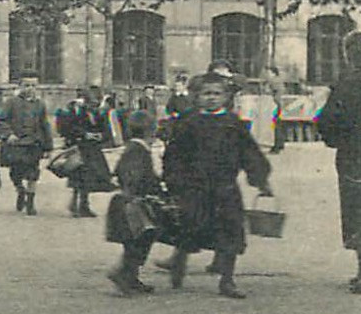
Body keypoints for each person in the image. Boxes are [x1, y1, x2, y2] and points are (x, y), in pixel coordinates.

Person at [161, 73, 272, 299]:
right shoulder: (188, 122)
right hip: (194, 188)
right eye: (206, 93)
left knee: (231, 231)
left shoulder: (233, 124)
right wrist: (174, 181)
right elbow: (174, 155)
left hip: (225, 188)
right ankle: (179, 263)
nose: (211, 98)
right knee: (189, 228)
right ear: (197, 96)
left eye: (217, 94)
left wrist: (260, 179)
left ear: (226, 97)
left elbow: (249, 153)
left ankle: (227, 280)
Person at [315, 32, 361, 294]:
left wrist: (335, 139)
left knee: (355, 206)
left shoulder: (343, 86)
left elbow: (327, 121)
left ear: (347, 55)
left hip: (353, 152)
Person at [105, 137, 168, 295]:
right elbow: (135, 177)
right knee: (140, 238)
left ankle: (132, 277)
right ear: (149, 131)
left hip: (129, 200)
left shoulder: (132, 148)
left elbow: (119, 171)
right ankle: (121, 273)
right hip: (133, 203)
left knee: (136, 240)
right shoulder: (138, 150)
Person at [0, 74, 54, 215]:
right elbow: (2, 120)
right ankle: (20, 190)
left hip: (34, 143)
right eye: (27, 85)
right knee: (15, 172)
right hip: (16, 144)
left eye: (34, 86)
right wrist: (9, 134)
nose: (30, 89)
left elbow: (45, 125)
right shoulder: (11, 102)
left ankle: (30, 202)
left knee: (33, 173)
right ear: (20, 86)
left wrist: (48, 146)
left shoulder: (40, 104)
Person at [57, 87, 113, 218]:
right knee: (78, 176)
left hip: (93, 148)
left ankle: (84, 205)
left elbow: (106, 129)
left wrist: (100, 136)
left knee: (89, 178)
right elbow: (70, 127)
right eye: (91, 103)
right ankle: (75, 204)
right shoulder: (77, 111)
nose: (94, 106)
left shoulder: (99, 114)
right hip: (79, 147)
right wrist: (85, 134)